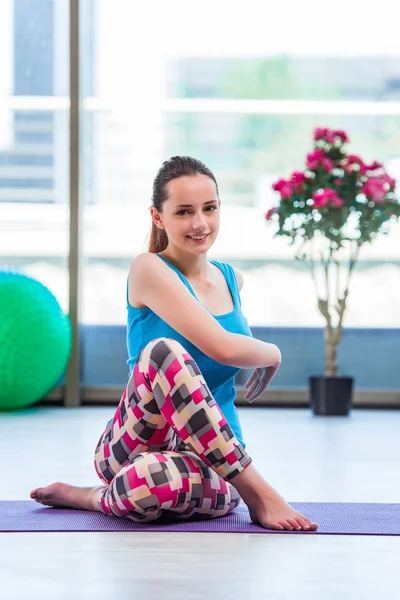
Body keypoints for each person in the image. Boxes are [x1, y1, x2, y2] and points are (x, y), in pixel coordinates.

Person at [31, 156, 318, 532]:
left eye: (209, 208)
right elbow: (225, 349)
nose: (200, 223)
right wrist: (272, 353)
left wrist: (258, 352)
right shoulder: (148, 269)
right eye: (184, 212)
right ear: (158, 217)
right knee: (163, 351)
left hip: (211, 464)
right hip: (134, 442)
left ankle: (92, 497)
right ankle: (259, 492)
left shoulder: (232, 280)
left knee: (148, 480)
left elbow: (229, 347)